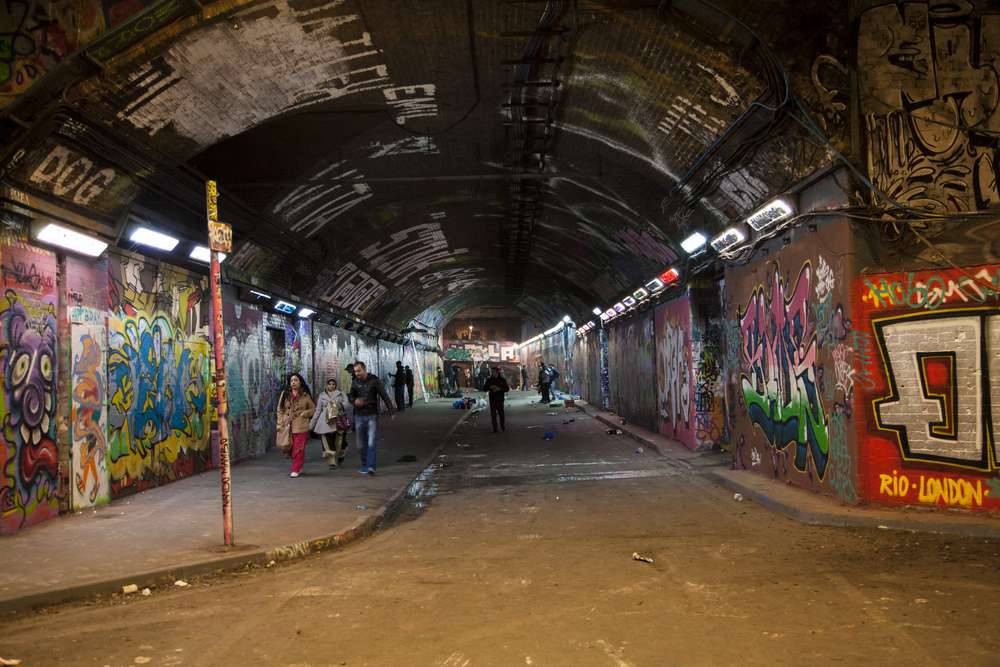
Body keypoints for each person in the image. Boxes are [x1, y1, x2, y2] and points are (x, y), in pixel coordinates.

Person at [348, 361, 395, 475]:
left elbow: (383, 394)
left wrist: (391, 410)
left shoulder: (374, 380)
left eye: (359, 370)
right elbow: (350, 395)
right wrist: (355, 401)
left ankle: (371, 466)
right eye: (355, 371)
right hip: (359, 416)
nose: (357, 373)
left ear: (364, 369)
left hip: (371, 415)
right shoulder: (355, 382)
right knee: (360, 445)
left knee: (371, 441)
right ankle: (365, 464)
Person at [276, 373, 315, 478]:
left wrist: (306, 413)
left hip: (301, 426)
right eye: (292, 380)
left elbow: (313, 409)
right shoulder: (285, 394)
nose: (293, 382)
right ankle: (299, 464)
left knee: (299, 448)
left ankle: (295, 469)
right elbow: (280, 409)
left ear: (300, 382)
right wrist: (280, 421)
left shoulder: (305, 395)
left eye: (296, 380)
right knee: (290, 448)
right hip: (287, 425)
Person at [310, 378, 349, 469]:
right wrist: (312, 424)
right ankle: (331, 462)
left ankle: (340, 455)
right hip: (324, 422)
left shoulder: (341, 394)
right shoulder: (321, 395)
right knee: (326, 442)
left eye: (333, 384)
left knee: (339, 442)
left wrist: (340, 405)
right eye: (329, 384)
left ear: (336, 385)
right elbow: (318, 411)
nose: (331, 386)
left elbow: (347, 404)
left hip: (338, 421)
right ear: (326, 385)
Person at [485, 366, 510, 433]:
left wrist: (500, 389)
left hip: (500, 399)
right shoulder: (489, 380)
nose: (492, 373)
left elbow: (507, 389)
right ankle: (495, 428)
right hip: (492, 399)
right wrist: (490, 387)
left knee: (501, 414)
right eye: (491, 372)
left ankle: (502, 425)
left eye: (493, 372)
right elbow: (484, 388)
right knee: (493, 414)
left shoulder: (502, 379)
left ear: (497, 372)